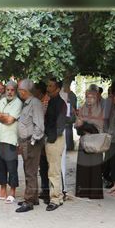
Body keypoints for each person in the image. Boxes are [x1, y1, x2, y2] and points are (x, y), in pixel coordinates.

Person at [15, 79, 45, 213]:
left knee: (30, 172)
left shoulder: (35, 103)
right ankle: (33, 198)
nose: (19, 93)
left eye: (20, 90)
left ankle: (29, 201)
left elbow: (39, 126)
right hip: (25, 142)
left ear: (24, 91)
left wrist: (32, 141)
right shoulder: (27, 104)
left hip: (31, 142)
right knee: (28, 170)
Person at [0, 80, 22, 203]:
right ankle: (2, 192)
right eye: (8, 89)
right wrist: (4, 116)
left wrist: (1, 116)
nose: (9, 92)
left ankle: (12, 193)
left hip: (10, 139)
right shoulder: (2, 99)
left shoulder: (18, 103)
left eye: (12, 90)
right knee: (0, 166)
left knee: (12, 166)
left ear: (16, 91)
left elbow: (9, 120)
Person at [75, 84, 105, 199]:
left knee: (95, 168)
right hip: (84, 142)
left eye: (92, 97)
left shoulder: (101, 110)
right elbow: (78, 126)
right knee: (83, 167)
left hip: (96, 143)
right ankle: (82, 192)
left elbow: (100, 127)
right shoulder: (82, 108)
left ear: (97, 97)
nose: (89, 99)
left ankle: (94, 194)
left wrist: (85, 124)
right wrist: (80, 127)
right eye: (87, 96)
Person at [43, 78, 68, 210]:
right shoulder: (52, 101)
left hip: (55, 139)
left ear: (57, 89)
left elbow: (60, 126)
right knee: (54, 169)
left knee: (54, 170)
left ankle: (55, 199)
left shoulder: (60, 103)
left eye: (51, 86)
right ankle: (57, 196)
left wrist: (50, 138)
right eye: (48, 85)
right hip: (52, 137)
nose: (48, 88)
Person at [33, 81, 50, 202]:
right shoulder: (39, 101)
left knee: (49, 165)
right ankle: (45, 189)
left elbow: (41, 118)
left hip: (47, 138)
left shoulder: (46, 101)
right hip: (41, 138)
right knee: (42, 165)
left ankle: (49, 191)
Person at [60, 78, 78, 151]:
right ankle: (69, 146)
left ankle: (69, 146)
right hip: (67, 116)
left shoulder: (72, 95)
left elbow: (73, 106)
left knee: (68, 130)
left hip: (69, 116)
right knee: (68, 130)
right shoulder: (67, 95)